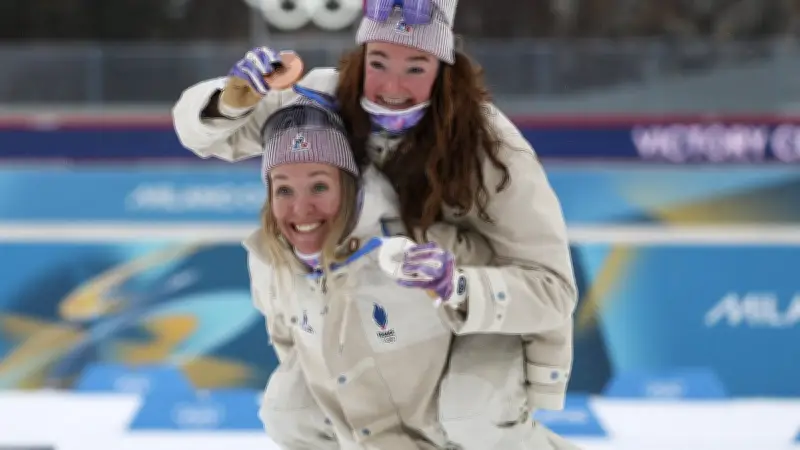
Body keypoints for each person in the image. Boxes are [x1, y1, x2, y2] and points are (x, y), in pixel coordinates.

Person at [172, 0, 579, 448]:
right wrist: (227, 101)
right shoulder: (322, 99)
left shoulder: (493, 148)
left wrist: (459, 287)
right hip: (377, 305)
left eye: (416, 67)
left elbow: (552, 290)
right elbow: (208, 137)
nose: (391, 87)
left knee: (470, 415)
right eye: (378, 62)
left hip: (477, 315)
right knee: (296, 414)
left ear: (444, 70)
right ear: (360, 57)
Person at [246, 99, 493, 449]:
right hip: (357, 436)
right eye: (283, 189)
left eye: (319, 186)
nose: (300, 209)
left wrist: (459, 286)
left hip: (441, 438)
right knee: (289, 410)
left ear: (349, 187)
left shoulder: (419, 245)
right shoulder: (268, 259)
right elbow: (288, 341)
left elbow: (511, 295)